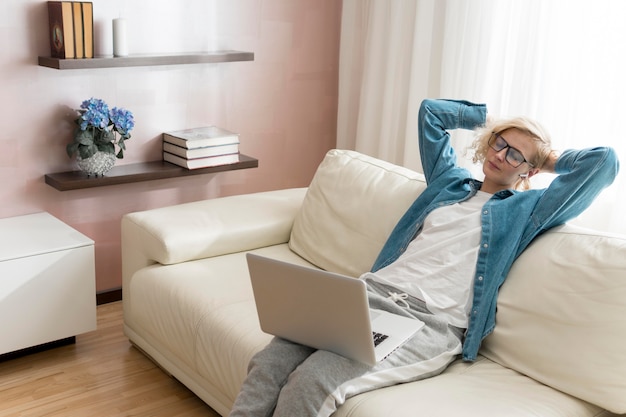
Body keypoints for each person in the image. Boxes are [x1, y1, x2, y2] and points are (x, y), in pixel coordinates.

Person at [229, 99, 619, 417]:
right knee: (269, 364)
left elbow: (602, 164)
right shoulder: (449, 182)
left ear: (530, 170)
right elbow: (430, 113)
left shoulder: (528, 209)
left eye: (516, 155)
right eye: (499, 143)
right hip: (363, 295)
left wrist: (545, 158)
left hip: (427, 322)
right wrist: (494, 123)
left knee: (313, 381)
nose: (501, 155)